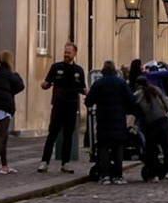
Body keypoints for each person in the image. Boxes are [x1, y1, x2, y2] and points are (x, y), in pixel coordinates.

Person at [39, 44, 86, 172]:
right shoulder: (56, 67)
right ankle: (44, 161)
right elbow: (48, 82)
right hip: (58, 105)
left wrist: (88, 93)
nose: (66, 55)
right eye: (65, 52)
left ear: (74, 54)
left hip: (71, 106)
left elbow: (81, 87)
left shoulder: (78, 70)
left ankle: (65, 163)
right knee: (52, 134)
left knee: (68, 135)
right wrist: (44, 85)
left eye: (69, 53)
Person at [87, 61, 132, 184]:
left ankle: (105, 175)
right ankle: (118, 176)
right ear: (114, 69)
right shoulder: (121, 83)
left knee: (104, 147)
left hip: (103, 119)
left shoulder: (98, 84)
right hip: (118, 119)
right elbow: (130, 99)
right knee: (118, 148)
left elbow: (89, 101)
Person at [0, 50, 25, 174]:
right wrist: (16, 74)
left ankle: (4, 165)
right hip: (4, 108)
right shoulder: (9, 74)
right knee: (1, 137)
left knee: (4, 136)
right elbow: (20, 85)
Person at [134, 74, 168, 182]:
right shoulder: (155, 89)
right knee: (167, 148)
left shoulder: (137, 95)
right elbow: (166, 102)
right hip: (162, 119)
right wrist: (166, 111)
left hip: (150, 123)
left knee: (152, 149)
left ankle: (154, 174)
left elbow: (138, 111)